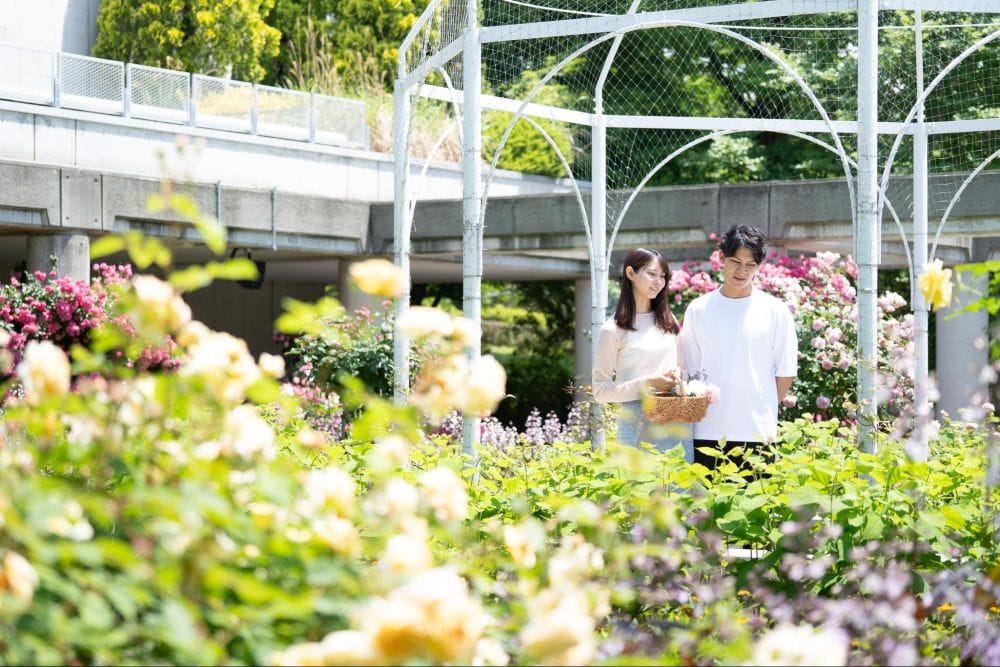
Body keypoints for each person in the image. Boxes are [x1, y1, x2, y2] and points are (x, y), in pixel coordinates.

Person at [678, 224, 798, 471]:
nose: (742, 271)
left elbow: (785, 372)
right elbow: (688, 370)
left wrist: (758, 406)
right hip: (706, 432)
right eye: (735, 261)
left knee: (756, 508)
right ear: (721, 258)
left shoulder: (775, 311)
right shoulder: (698, 309)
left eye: (750, 265)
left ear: (759, 266)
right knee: (705, 510)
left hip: (757, 434)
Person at [593, 247, 693, 461]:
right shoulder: (613, 329)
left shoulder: (669, 322)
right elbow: (601, 390)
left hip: (676, 422)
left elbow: (681, 368)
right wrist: (648, 384)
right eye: (651, 274)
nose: (658, 281)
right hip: (636, 423)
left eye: (663, 276)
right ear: (630, 273)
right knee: (639, 491)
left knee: (680, 491)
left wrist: (678, 379)